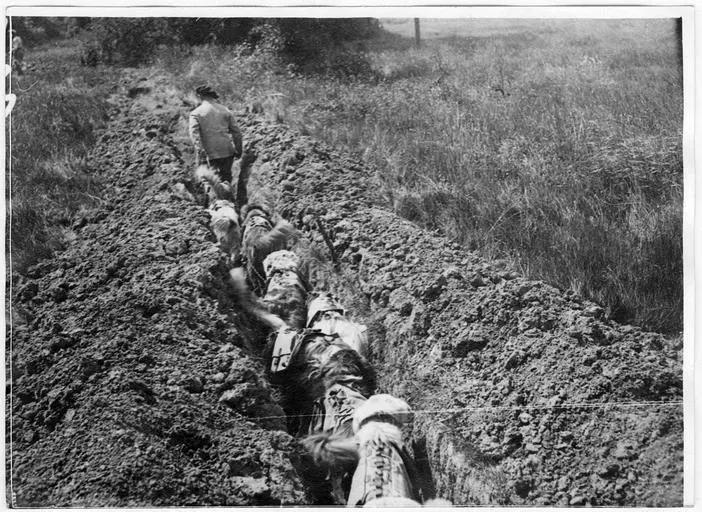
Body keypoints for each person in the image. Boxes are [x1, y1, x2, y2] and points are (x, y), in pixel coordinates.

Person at [188, 85, 242, 184]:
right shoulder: (225, 110)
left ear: (200, 96)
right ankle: (228, 196)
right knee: (226, 178)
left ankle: (214, 197)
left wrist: (200, 152)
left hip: (209, 153)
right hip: (227, 151)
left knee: (210, 181)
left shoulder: (196, 113)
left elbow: (194, 135)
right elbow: (237, 132)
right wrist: (239, 149)